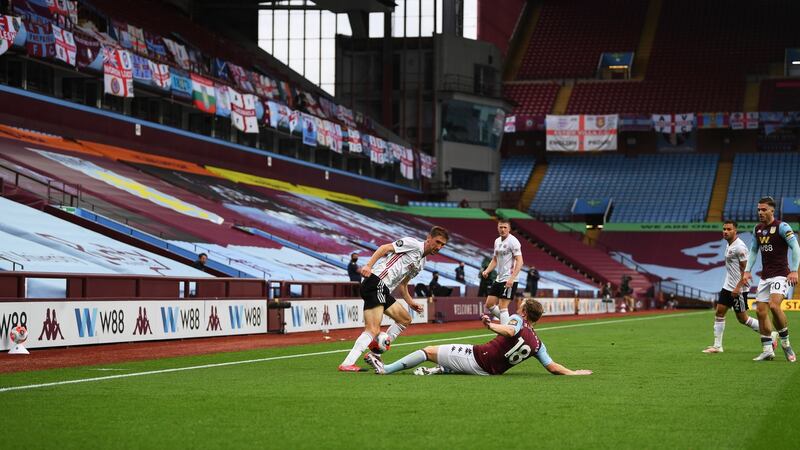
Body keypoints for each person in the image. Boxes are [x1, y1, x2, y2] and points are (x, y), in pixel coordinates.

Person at [363, 298, 592, 376]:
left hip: (476, 358)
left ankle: (386, 369)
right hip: (489, 370)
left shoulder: (517, 320)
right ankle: (443, 369)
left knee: (427, 351)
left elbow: (510, 331)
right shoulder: (538, 343)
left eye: (520, 306)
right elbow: (552, 367)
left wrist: (491, 325)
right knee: (447, 359)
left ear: (524, 313)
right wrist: (573, 372)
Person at [338, 226, 450, 372]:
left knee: (405, 319)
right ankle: (348, 363)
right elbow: (385, 248)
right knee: (372, 329)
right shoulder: (413, 244)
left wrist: (411, 302)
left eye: (443, 245)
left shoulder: (421, 263)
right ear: (428, 238)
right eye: (437, 242)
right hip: (376, 282)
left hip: (383, 290)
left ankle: (374, 354)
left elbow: (403, 285)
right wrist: (368, 265)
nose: (439, 247)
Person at [743, 197, 800, 362]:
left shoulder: (782, 227)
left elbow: (795, 247)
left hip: (781, 274)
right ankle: (767, 349)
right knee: (760, 312)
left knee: (775, 306)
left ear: (772, 211)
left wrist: (794, 271)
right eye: (758, 210)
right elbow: (754, 251)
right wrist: (747, 271)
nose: (760, 212)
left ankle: (786, 343)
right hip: (765, 277)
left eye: (763, 210)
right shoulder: (758, 229)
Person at [703, 220, 770, 354]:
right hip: (728, 286)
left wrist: (738, 288)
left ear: (735, 231)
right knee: (719, 312)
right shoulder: (729, 245)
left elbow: (746, 270)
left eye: (729, 229)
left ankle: (769, 335)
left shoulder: (740, 247)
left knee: (743, 319)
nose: (725, 231)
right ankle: (717, 346)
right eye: (724, 229)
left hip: (738, 288)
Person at [482, 220, 523, 324]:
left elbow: (520, 261)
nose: (503, 229)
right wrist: (487, 270)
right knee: (489, 304)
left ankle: (505, 334)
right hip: (499, 278)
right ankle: (511, 324)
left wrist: (512, 278)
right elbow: (495, 259)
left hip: (509, 278)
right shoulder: (497, 241)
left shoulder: (513, 241)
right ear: (497, 228)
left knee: (502, 307)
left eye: (505, 227)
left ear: (509, 229)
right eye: (500, 227)